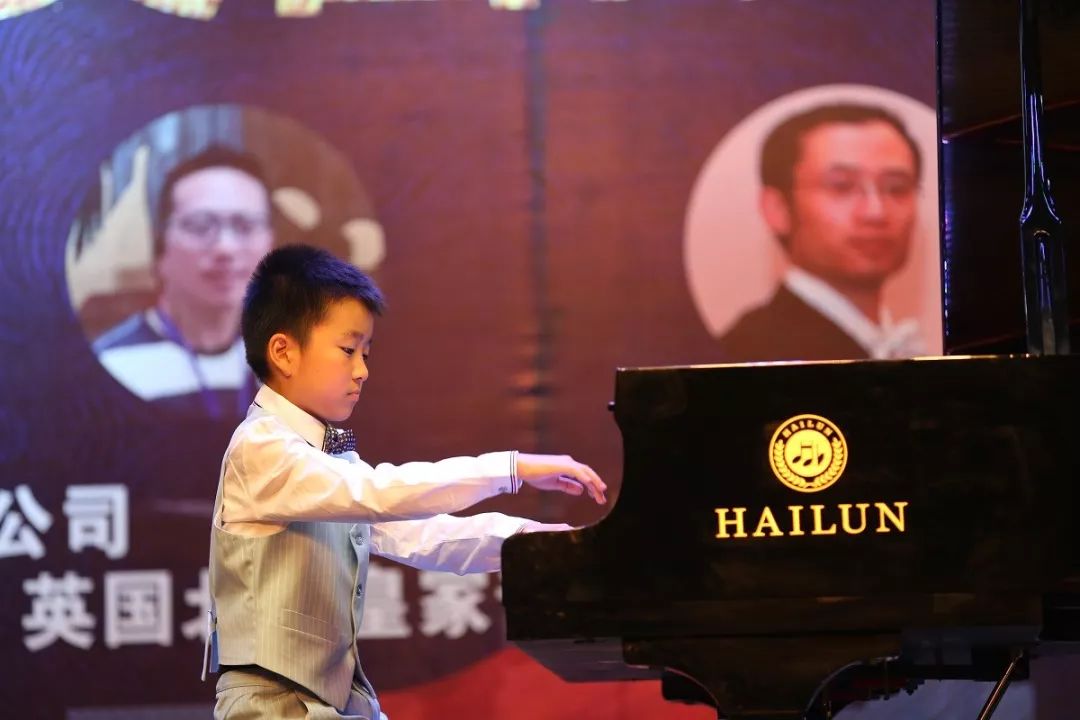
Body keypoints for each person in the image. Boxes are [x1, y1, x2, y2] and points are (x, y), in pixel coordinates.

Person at [204, 244, 607, 720]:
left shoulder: (327, 459)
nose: (362, 371)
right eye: (348, 350)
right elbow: (380, 493)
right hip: (270, 706)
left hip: (335, 703)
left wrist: (545, 542)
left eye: (366, 353)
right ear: (283, 352)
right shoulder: (261, 448)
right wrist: (511, 468)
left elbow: (426, 536)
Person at [717, 103, 925, 362]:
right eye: (842, 186)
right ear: (778, 208)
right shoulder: (751, 354)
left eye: (897, 188)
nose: (876, 212)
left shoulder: (896, 344)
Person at [93, 145, 273, 417]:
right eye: (200, 226)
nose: (225, 248)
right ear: (160, 247)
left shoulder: (292, 362)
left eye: (245, 226)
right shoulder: (112, 365)